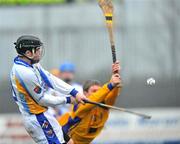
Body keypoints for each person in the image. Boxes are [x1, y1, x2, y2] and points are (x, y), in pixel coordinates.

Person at [10, 35, 87, 144]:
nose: (39, 52)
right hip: (38, 119)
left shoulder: (31, 64)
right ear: (28, 53)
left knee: (70, 142)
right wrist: (69, 100)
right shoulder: (24, 72)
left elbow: (50, 79)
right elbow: (42, 99)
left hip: (44, 115)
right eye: (37, 50)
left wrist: (74, 92)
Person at [58, 61, 122, 144]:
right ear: (84, 93)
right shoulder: (81, 105)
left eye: (99, 91)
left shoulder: (105, 106)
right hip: (62, 139)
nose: (97, 93)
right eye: (93, 91)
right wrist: (110, 85)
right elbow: (95, 98)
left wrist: (116, 79)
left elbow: (112, 95)